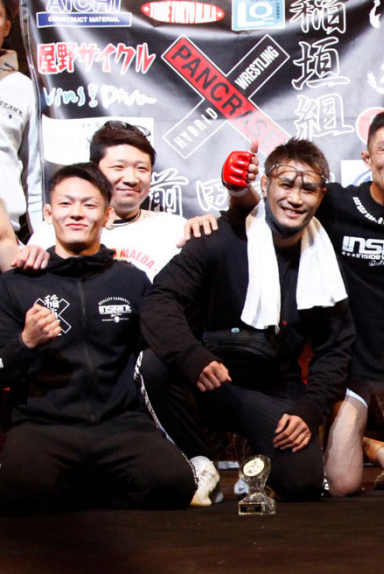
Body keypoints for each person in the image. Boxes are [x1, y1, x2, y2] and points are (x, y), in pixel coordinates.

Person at [221, 108, 384, 496]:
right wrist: (238, 193)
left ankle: (372, 447)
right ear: (367, 158)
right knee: (341, 485)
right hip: (348, 368)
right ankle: (355, 441)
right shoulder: (336, 204)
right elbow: (275, 210)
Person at [140, 139, 355, 502]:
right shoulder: (216, 237)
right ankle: (199, 462)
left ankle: (255, 460)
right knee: (155, 365)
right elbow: (159, 301)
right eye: (286, 184)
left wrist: (309, 410)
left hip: (273, 388)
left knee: (302, 482)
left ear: (321, 197)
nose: (295, 198)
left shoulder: (324, 262)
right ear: (265, 185)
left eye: (308, 189)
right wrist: (191, 355)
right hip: (209, 379)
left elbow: (336, 347)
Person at [0, 163, 196, 514]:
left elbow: (160, 349)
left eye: (89, 205)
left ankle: (78, 495)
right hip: (43, 426)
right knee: (19, 491)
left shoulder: (131, 280)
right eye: (65, 204)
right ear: (48, 214)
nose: (76, 213)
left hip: (120, 423)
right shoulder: (17, 284)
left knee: (174, 485)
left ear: (107, 216)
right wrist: (26, 341)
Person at [28, 121, 217, 280]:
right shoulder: (59, 228)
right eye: (119, 167)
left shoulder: (174, 228)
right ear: (94, 170)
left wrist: (210, 233)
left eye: (142, 169)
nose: (131, 179)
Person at [0, 0, 42, 239]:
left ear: (7, 28)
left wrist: (42, 241)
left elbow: (35, 176)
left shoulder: (23, 87)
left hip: (5, 237)